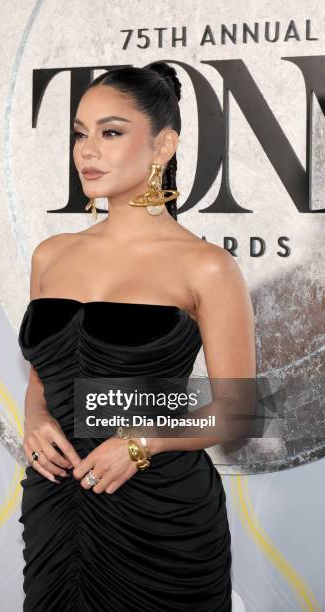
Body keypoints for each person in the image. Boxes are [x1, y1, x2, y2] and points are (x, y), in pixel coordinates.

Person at [18, 61, 256, 611]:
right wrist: (34, 418)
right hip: (56, 503)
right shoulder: (50, 255)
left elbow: (239, 411)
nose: (87, 150)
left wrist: (141, 444)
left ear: (163, 145)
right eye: (80, 134)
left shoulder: (206, 266)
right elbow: (40, 380)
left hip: (160, 517)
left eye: (111, 132)